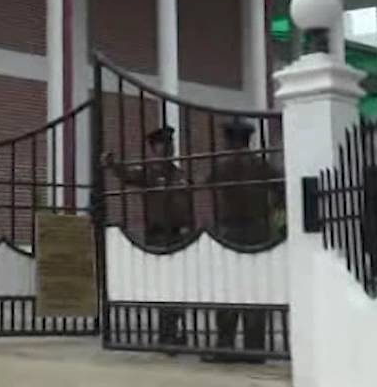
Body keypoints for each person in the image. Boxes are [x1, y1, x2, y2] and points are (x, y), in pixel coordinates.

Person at [103, 125, 192, 350]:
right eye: (163, 144)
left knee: (179, 287)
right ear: (155, 148)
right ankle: (167, 335)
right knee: (165, 287)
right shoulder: (149, 172)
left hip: (179, 236)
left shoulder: (178, 173)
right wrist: (113, 165)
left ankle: (175, 331)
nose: (168, 148)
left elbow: (187, 204)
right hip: (159, 235)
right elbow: (129, 175)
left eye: (170, 144)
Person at [206, 120, 284, 362]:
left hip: (230, 231)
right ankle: (255, 348)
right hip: (259, 230)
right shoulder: (261, 164)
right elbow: (281, 188)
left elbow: (207, 183)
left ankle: (226, 346)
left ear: (229, 140)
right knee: (255, 289)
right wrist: (272, 210)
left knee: (228, 289)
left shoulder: (222, 165)